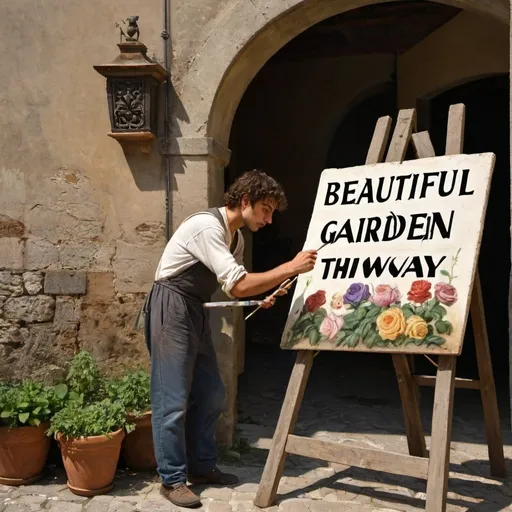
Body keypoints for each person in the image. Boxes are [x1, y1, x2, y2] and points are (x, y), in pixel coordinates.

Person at [144, 170, 317, 508]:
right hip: (170, 306)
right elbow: (238, 284)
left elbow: (237, 286)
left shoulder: (235, 238)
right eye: (265, 209)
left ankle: (203, 467)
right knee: (173, 398)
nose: (268, 219)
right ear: (244, 201)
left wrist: (261, 295)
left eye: (271, 212)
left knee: (210, 392)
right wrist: (290, 268)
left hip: (193, 309)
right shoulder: (208, 227)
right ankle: (173, 479)